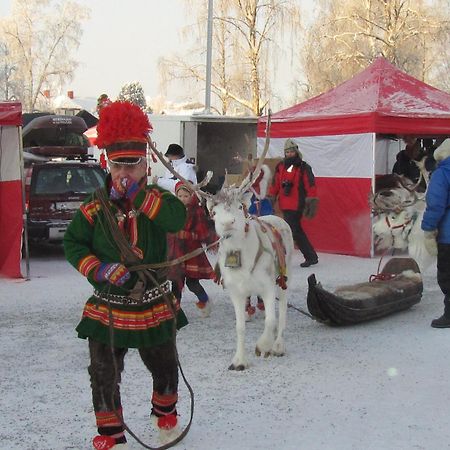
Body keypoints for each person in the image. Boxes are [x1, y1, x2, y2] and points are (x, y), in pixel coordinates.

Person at [63, 101, 188, 449]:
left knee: (164, 364)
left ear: (144, 165)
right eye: (118, 165)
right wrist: (99, 268)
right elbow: (73, 243)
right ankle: (110, 434)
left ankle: (165, 416)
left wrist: (140, 197)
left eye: (132, 165)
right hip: (108, 302)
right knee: (103, 372)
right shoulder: (93, 205)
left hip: (152, 300)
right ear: (108, 163)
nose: (124, 173)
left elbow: (176, 220)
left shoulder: (159, 198)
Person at [167, 182, 216, 317]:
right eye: (180, 196)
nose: (183, 199)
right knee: (176, 282)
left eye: (186, 196)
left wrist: (187, 235)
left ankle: (205, 300)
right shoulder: (173, 210)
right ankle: (174, 310)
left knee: (192, 283)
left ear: (192, 196)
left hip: (191, 252)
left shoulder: (197, 211)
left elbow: (202, 233)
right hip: (176, 252)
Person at [268, 138, 319, 268]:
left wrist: (311, 201)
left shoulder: (303, 167)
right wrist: (272, 196)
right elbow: (275, 184)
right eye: (287, 152)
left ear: (296, 151)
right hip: (285, 204)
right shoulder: (281, 166)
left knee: (293, 231)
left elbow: (310, 185)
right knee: (295, 231)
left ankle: (289, 256)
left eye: (291, 151)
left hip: (297, 204)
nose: (289, 154)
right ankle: (310, 256)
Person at [421, 139, 450, 328]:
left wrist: (428, 229)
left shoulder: (443, 172)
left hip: (448, 236)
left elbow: (436, 204)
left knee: (447, 276)